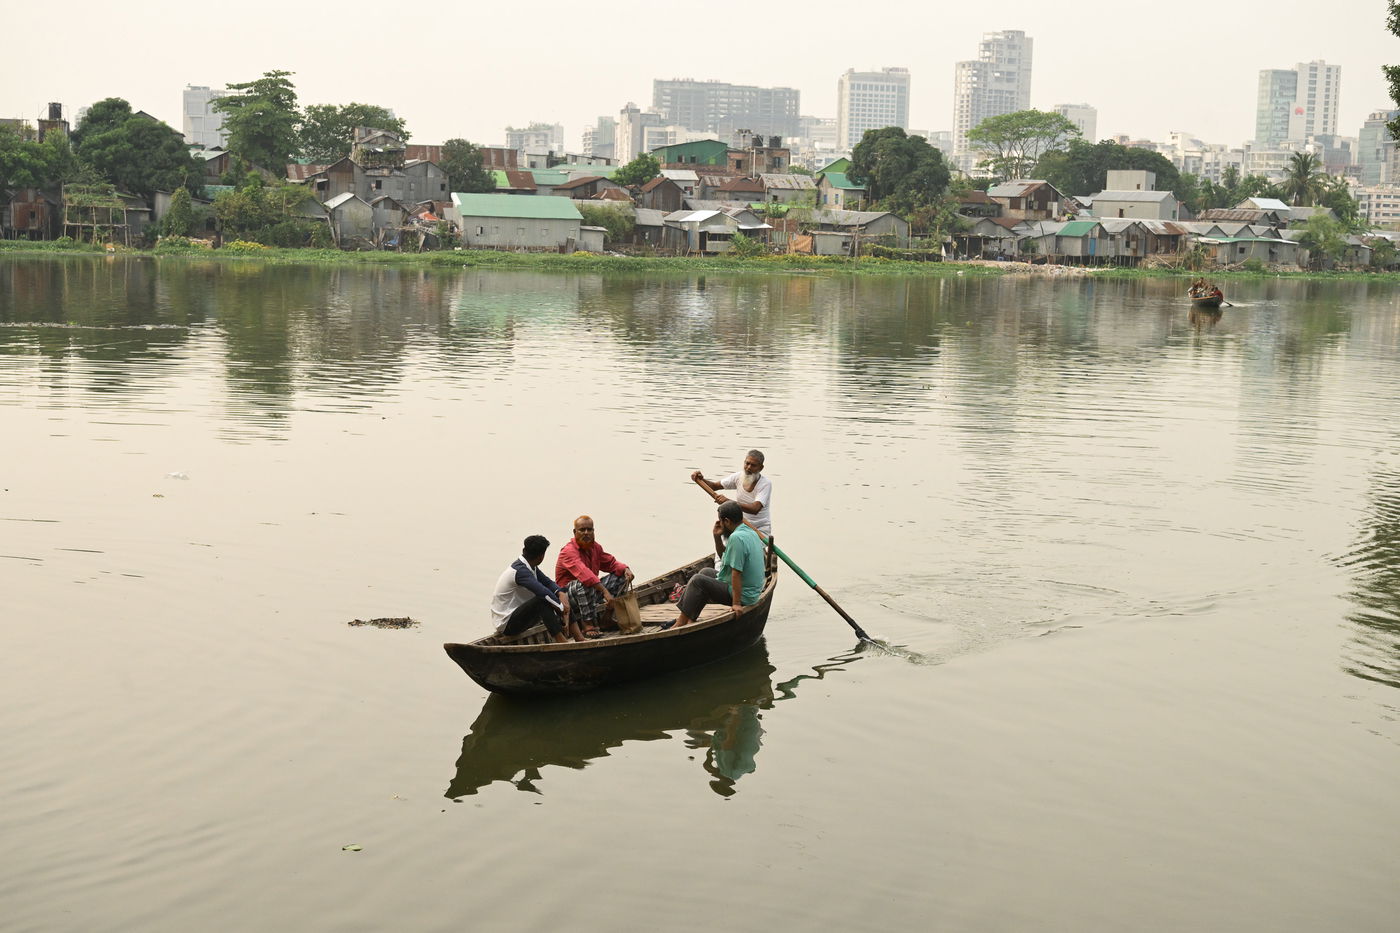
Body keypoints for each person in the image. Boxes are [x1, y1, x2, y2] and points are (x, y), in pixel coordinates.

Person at [666, 501, 766, 630]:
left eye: (720, 521)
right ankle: (690, 618)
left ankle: (680, 623)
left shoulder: (736, 538)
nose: (719, 523)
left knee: (697, 581)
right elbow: (726, 559)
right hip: (749, 590)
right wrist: (717, 537)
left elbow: (736, 573)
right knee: (705, 572)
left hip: (745, 595)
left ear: (727, 521)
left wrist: (736, 604)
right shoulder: (750, 532)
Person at [489, 535, 580, 644]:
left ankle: (580, 638)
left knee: (560, 595)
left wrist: (561, 593)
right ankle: (562, 641)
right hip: (507, 624)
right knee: (542, 600)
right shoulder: (520, 571)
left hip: (519, 617)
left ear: (524, 550)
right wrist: (562, 609)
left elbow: (547, 582)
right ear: (541, 556)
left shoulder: (530, 567)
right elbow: (542, 592)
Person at [555, 515, 633, 637]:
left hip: (590, 591)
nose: (586, 533)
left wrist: (625, 569)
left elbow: (611, 563)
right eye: (582, 530)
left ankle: (607, 618)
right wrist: (605, 591)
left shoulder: (595, 547)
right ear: (575, 532)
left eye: (589, 529)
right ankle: (587, 624)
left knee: (621, 577)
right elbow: (585, 574)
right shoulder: (568, 551)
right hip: (567, 597)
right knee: (585, 582)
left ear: (593, 531)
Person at [692, 449, 772, 537]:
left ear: (761, 468)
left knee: (756, 550)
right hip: (741, 525)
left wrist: (729, 502)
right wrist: (701, 479)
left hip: (759, 529)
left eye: (753, 465)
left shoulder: (765, 484)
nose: (748, 467)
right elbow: (714, 486)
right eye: (747, 463)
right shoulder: (738, 477)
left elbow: (755, 509)